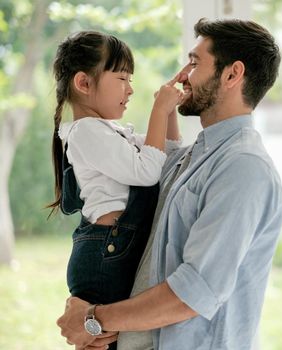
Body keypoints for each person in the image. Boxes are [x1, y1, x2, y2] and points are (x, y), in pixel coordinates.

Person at [57, 18, 282, 350]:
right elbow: (162, 161)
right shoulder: (199, 155)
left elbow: (193, 292)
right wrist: (167, 111)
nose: (184, 74)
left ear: (232, 74)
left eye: (194, 63)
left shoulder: (243, 168)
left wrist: (94, 318)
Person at [49, 31, 185, 349]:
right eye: (122, 78)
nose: (130, 89)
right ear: (84, 83)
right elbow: (147, 170)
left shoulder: (110, 132)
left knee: (113, 338)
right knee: (103, 341)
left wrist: (169, 108)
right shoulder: (86, 132)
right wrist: (158, 111)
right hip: (104, 256)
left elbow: (167, 155)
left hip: (117, 249)